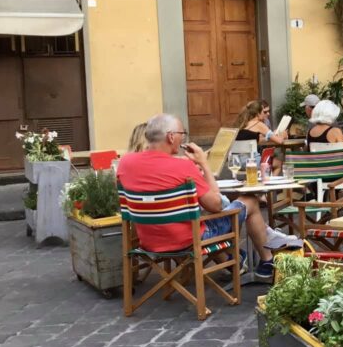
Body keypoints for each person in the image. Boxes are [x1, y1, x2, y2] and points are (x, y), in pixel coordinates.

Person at [117, 113, 276, 277]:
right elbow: (217, 205)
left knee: (202, 212)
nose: (183, 139)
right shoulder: (182, 166)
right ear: (171, 137)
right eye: (182, 134)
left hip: (148, 240)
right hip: (188, 240)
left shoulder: (125, 163)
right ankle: (266, 262)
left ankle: (233, 259)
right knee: (249, 201)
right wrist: (203, 164)